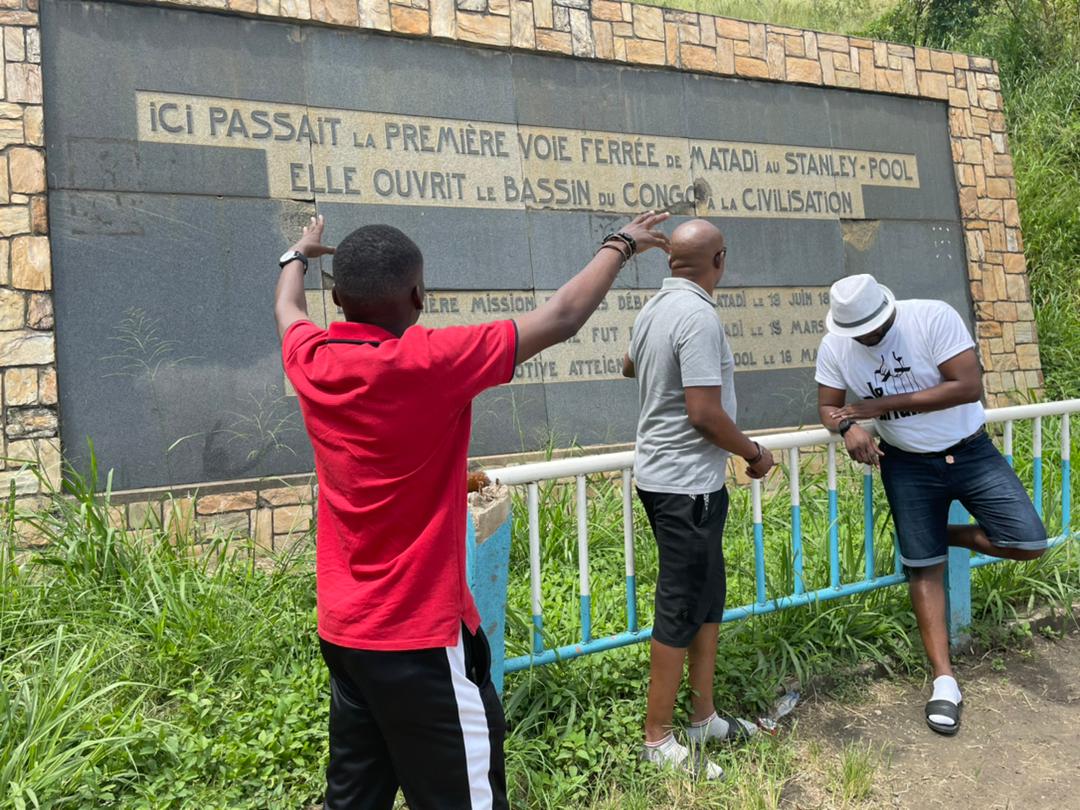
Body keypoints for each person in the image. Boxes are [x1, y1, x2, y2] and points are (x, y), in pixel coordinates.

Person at [274, 211, 670, 810]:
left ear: (338, 296)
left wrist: (296, 255)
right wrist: (622, 244)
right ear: (417, 295)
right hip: (420, 640)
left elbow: (288, 310)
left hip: (345, 632)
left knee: (355, 796)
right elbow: (562, 316)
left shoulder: (312, 360)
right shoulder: (430, 363)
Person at [815, 273, 1047, 735]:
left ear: (887, 309)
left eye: (874, 328)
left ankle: (938, 537)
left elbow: (965, 386)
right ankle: (945, 681)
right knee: (923, 568)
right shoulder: (835, 347)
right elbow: (830, 407)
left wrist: (877, 409)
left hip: (971, 450)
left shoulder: (931, 317)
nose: (868, 337)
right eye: (858, 333)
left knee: (1028, 540)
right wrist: (847, 430)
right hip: (907, 464)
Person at [622, 219, 774, 779]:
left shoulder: (652, 311)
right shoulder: (698, 316)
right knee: (682, 604)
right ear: (720, 259)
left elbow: (629, 365)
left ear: (670, 263)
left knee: (708, 596)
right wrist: (754, 453)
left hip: (678, 481)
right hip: (684, 485)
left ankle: (701, 716)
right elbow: (705, 414)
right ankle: (656, 736)